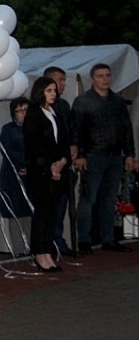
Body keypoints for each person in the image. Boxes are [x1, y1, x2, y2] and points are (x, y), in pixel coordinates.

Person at [72, 63, 135, 254]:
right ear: (92, 79)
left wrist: (130, 154)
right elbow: (77, 129)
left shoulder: (117, 101)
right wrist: (81, 155)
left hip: (114, 156)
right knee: (88, 199)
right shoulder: (83, 101)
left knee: (108, 200)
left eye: (107, 75)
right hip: (93, 155)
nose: (105, 79)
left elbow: (126, 129)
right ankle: (84, 239)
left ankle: (108, 238)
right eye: (100, 76)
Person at [23, 77, 70, 271]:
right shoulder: (33, 113)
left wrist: (63, 161)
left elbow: (64, 141)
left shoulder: (55, 112)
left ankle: (48, 251)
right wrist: (49, 166)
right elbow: (33, 145)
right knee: (42, 213)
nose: (53, 93)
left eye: (54, 90)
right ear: (40, 91)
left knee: (52, 213)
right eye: (49, 90)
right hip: (41, 173)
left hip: (57, 170)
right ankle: (39, 253)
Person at [43, 66, 77, 257]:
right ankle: (47, 243)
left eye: (64, 81)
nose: (61, 85)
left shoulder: (63, 105)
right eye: (58, 81)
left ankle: (58, 240)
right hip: (46, 165)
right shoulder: (37, 109)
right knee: (47, 206)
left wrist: (74, 146)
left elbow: (70, 130)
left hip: (64, 163)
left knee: (61, 204)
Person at [0, 97, 33, 219]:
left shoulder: (38, 129)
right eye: (19, 111)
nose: (23, 113)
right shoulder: (8, 129)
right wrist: (23, 164)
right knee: (16, 217)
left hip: (33, 178)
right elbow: (7, 151)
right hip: (13, 178)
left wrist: (32, 166)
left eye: (26, 109)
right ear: (13, 114)